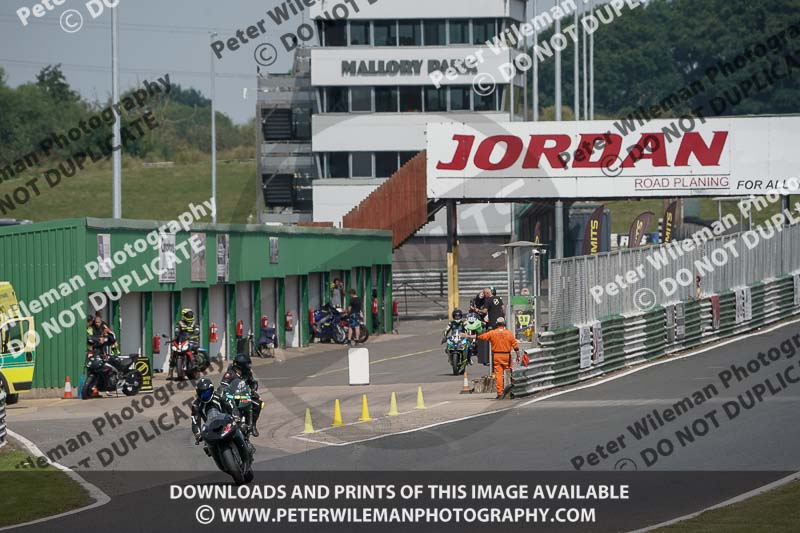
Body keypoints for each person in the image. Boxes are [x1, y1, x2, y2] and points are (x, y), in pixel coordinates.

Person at [476, 317, 520, 399]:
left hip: (497, 356)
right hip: (507, 356)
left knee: (498, 375)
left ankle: (500, 393)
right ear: (504, 323)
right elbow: (515, 345)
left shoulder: (492, 333)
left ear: (497, 324)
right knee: (509, 373)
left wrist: (474, 336)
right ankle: (510, 391)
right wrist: (518, 355)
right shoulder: (509, 333)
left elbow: (482, 336)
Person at [220, 354, 263, 437]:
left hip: (245, 395)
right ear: (241, 365)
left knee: (258, 403)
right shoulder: (230, 374)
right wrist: (225, 391)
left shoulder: (247, 373)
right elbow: (223, 385)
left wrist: (253, 390)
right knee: (222, 404)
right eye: (247, 364)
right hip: (233, 396)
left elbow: (253, 383)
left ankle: (253, 425)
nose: (249, 366)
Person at [190, 378, 236, 446]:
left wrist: (235, 416)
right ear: (198, 394)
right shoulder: (196, 405)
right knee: (207, 446)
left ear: (212, 390)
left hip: (226, 421)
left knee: (239, 429)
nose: (205, 396)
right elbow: (195, 420)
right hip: (210, 427)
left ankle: (246, 443)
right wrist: (197, 433)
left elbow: (230, 405)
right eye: (202, 394)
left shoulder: (219, 395)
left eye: (207, 393)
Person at [170, 308, 200, 379]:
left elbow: (197, 331)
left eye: (190, 315)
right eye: (188, 315)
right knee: (174, 352)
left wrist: (194, 335)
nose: (189, 316)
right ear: (183, 315)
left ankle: (196, 367)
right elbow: (177, 331)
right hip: (182, 341)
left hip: (193, 341)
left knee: (195, 351)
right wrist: (175, 337)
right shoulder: (180, 323)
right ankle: (170, 370)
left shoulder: (194, 323)